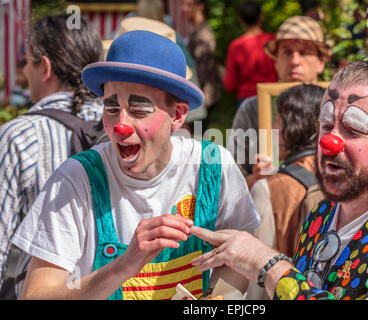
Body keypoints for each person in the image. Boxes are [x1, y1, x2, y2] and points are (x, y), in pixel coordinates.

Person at [10, 30, 260, 300]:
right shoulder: (76, 179)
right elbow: (35, 295)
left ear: (177, 115)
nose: (121, 125)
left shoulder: (213, 166)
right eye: (112, 108)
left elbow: (238, 261)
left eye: (139, 110)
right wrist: (123, 265)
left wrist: (213, 299)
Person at [190, 48, 368, 300]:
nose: (330, 143)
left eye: (354, 129)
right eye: (326, 125)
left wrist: (268, 264)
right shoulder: (323, 214)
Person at [0, 14, 104, 300]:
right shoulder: (123, 129)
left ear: (44, 67)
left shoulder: (19, 136)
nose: (24, 70)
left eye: (26, 60)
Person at [246, 84, 325, 300]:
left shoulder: (269, 188)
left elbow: (258, 277)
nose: (273, 127)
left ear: (293, 125)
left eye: (277, 119)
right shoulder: (342, 178)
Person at [229, 15, 331, 177]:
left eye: (305, 52)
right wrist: (254, 180)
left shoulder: (335, 108)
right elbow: (233, 173)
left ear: (321, 62)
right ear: (275, 60)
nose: (295, 61)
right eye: (287, 52)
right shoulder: (253, 109)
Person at [222, 1, 278, 107]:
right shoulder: (273, 41)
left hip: (246, 100)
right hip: (271, 97)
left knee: (198, 122)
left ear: (241, 20)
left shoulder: (236, 46)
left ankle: (198, 124)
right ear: (261, 17)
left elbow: (230, 84)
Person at [181, 0, 222, 133]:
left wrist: (195, 96)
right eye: (182, 4)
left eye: (188, 4)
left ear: (200, 7)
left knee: (198, 140)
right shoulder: (197, 30)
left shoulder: (202, 33)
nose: (183, 8)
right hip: (201, 94)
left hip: (202, 94)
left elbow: (204, 69)